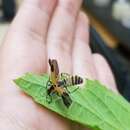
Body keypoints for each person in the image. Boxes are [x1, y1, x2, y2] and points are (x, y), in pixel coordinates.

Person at [0, 0, 118, 129]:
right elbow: (56, 76)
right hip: (68, 82)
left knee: (65, 93)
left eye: (51, 89)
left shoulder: (56, 86)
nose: (50, 89)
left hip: (70, 82)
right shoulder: (55, 83)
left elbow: (61, 88)